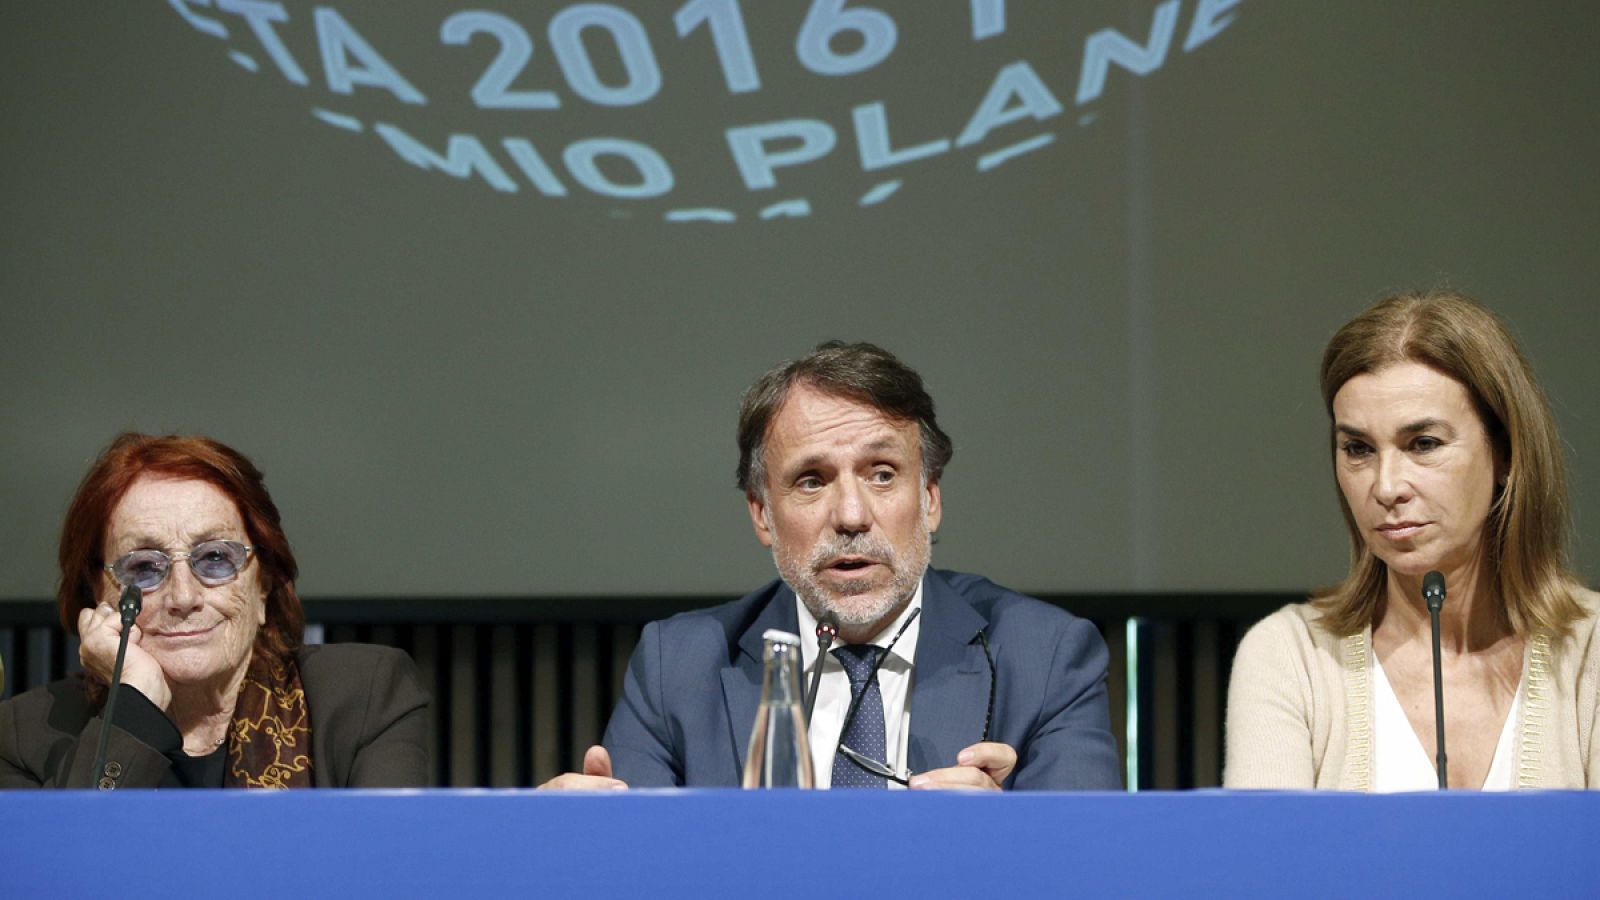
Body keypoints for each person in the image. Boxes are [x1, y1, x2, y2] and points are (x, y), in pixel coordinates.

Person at [544, 341, 1121, 790]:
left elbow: (1102, 874)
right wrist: (571, 845)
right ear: (763, 514)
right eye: (811, 480)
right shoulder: (678, 669)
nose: (850, 515)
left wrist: (1007, 841)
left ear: (930, 499)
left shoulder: (1044, 657)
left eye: (882, 474)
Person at [1225, 291, 1600, 790]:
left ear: (1506, 452)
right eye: (1357, 448)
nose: (1385, 486)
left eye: (1424, 444)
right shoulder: (1291, 657)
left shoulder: (1590, 653)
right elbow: (1266, 863)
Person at [0, 434, 430, 788]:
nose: (183, 597)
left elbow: (386, 875)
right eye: (144, 567)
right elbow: (71, 879)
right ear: (98, 591)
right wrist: (134, 705)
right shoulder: (24, 734)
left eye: (216, 559)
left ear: (263, 584)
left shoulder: (362, 697)